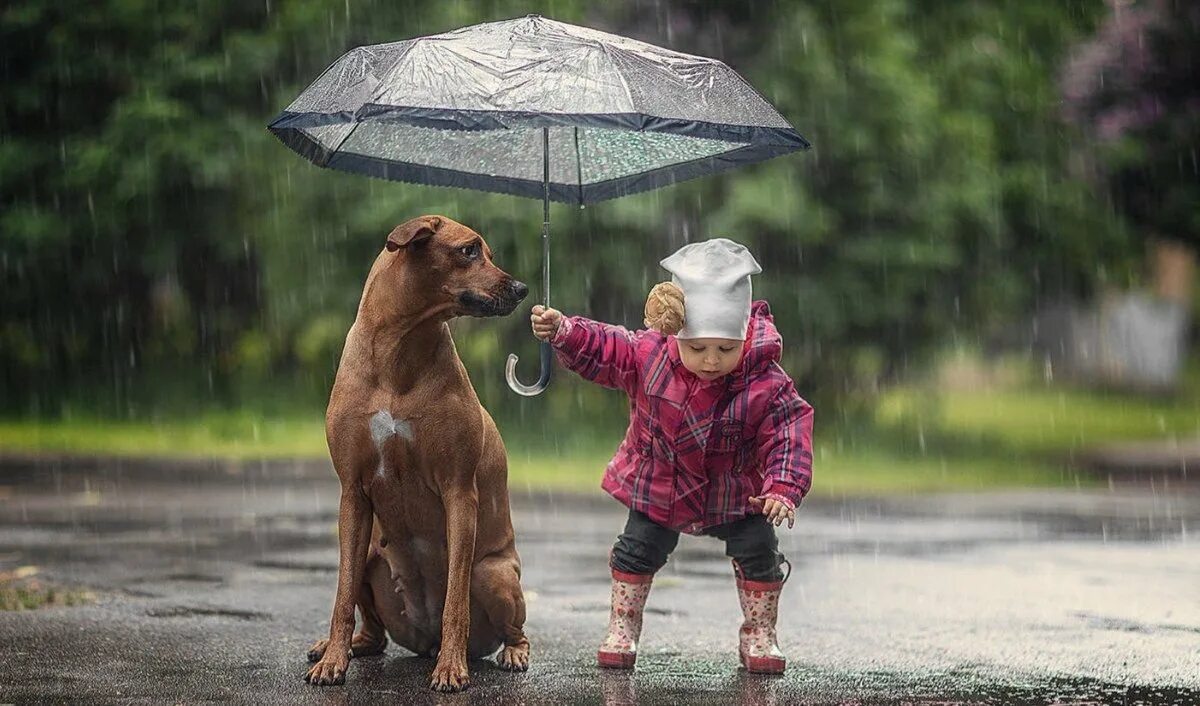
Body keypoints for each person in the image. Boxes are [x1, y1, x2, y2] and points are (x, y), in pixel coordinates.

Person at [529, 238, 814, 674]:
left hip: (736, 491)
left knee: (759, 551)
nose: (712, 361)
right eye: (697, 347)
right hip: (660, 482)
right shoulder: (649, 354)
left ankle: (760, 633)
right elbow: (607, 346)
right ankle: (623, 624)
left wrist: (783, 486)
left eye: (726, 348)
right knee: (636, 551)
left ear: (744, 338)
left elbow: (790, 431)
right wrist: (566, 331)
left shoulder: (766, 382)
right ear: (678, 332)